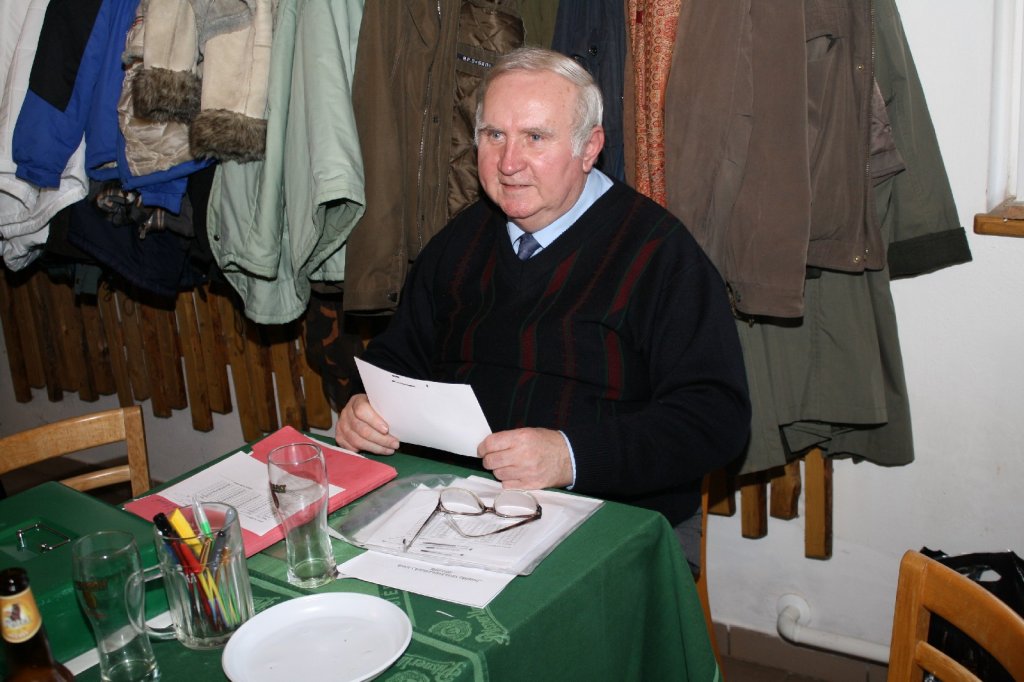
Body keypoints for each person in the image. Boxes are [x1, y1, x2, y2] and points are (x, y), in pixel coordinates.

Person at [334, 47, 750, 564]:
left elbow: (716, 418)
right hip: (456, 504)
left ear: (589, 148)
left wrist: (571, 456)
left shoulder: (659, 254)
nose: (509, 163)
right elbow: (397, 357)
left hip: (608, 511)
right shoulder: (459, 241)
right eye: (494, 135)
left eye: (535, 137)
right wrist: (362, 405)